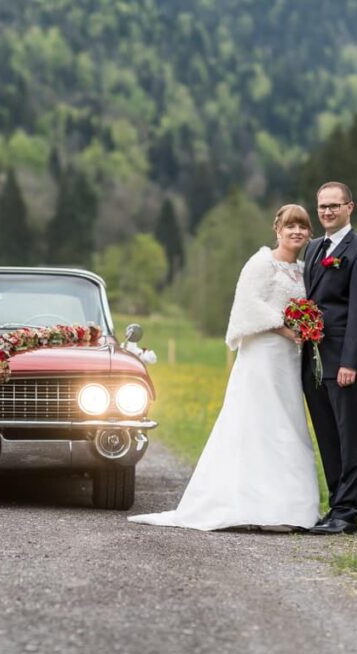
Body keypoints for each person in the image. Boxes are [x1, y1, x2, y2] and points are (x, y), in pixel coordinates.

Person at [128, 205, 320, 531]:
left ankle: (286, 506)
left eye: (302, 227)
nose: (297, 232)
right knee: (258, 421)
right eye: (290, 226)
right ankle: (246, 503)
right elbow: (248, 304)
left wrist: (305, 326)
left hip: (290, 358)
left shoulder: (303, 270)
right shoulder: (262, 262)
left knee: (287, 423)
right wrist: (284, 327)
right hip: (263, 353)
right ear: (277, 229)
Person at [300, 182, 357, 535]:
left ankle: (348, 514)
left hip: (347, 364)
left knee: (350, 438)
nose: (328, 212)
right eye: (322, 207)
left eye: (335, 205)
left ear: (350, 207)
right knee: (327, 437)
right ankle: (335, 506)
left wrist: (350, 362)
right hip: (315, 363)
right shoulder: (314, 248)